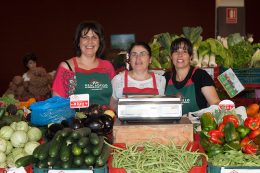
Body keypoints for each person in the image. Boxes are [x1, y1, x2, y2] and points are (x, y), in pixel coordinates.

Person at [52, 21, 116, 106]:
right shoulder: (67, 67)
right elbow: (57, 103)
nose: (90, 41)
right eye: (85, 37)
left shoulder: (108, 66)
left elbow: (115, 98)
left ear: (99, 42)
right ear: (78, 42)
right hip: (76, 118)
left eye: (94, 37)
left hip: (106, 117)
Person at [165, 37, 220, 115]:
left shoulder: (201, 76)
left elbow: (215, 103)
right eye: (176, 52)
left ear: (190, 56)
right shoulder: (165, 78)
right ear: (171, 56)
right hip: (171, 126)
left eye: (184, 52)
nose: (180, 55)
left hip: (197, 125)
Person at [110, 42, 166, 111]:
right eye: (134, 54)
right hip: (127, 121)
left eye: (142, 54)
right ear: (129, 60)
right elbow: (112, 106)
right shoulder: (118, 80)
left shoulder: (160, 80)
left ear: (150, 59)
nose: (138, 58)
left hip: (153, 121)